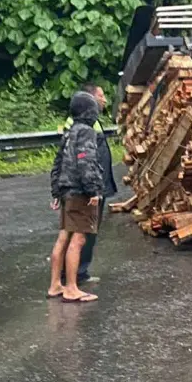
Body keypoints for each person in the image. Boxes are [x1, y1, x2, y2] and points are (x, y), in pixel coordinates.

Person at [47, 91, 105, 303]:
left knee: (64, 237)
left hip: (66, 191)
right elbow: (86, 161)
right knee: (78, 239)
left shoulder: (69, 132)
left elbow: (57, 164)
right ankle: (71, 287)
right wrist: (94, 190)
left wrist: (56, 191)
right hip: (81, 193)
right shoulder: (87, 132)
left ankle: (55, 284)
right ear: (90, 112)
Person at [62, 83, 117, 285]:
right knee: (81, 234)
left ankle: (76, 275)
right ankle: (74, 278)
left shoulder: (89, 122)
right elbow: (85, 160)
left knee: (82, 233)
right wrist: (93, 189)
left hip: (90, 185)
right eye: (101, 96)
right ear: (90, 99)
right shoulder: (84, 125)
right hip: (87, 188)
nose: (104, 100)